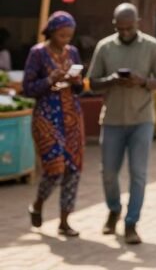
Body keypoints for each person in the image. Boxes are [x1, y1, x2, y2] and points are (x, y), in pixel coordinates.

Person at [87, 3, 156, 245]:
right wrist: (111, 80)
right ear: (114, 25)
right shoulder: (104, 47)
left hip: (142, 120)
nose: (124, 32)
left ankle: (132, 222)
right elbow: (92, 82)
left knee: (138, 174)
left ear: (137, 23)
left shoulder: (152, 46)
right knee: (109, 173)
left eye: (129, 28)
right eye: (119, 28)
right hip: (111, 119)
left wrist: (142, 81)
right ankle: (114, 209)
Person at [23, 12, 85, 237]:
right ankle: (38, 204)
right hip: (47, 117)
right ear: (51, 32)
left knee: (73, 169)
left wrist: (76, 82)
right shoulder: (37, 53)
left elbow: (80, 90)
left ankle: (65, 221)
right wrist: (51, 79)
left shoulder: (73, 53)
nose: (66, 40)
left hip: (72, 117)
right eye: (62, 35)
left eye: (70, 36)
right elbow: (28, 88)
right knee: (55, 168)